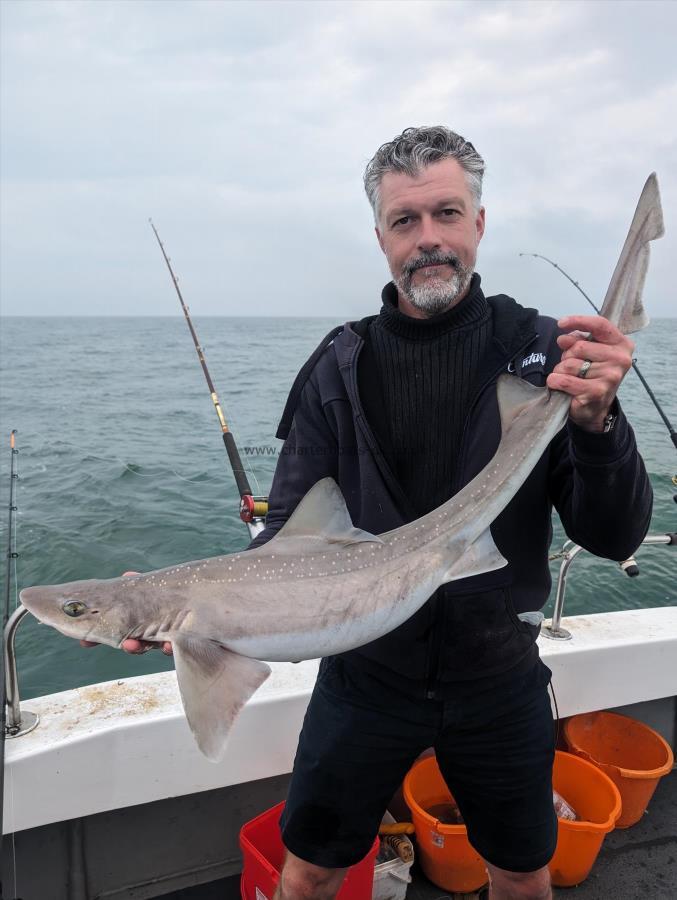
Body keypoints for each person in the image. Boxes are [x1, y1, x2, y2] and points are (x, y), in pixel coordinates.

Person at [92, 126, 652, 899]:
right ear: (381, 237)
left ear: (478, 224)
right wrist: (194, 608)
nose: (429, 240)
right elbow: (289, 527)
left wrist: (598, 426)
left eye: (446, 214)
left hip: (497, 671)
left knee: (523, 872)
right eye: (404, 221)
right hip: (365, 676)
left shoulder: (540, 352)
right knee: (311, 868)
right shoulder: (336, 365)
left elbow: (612, 535)